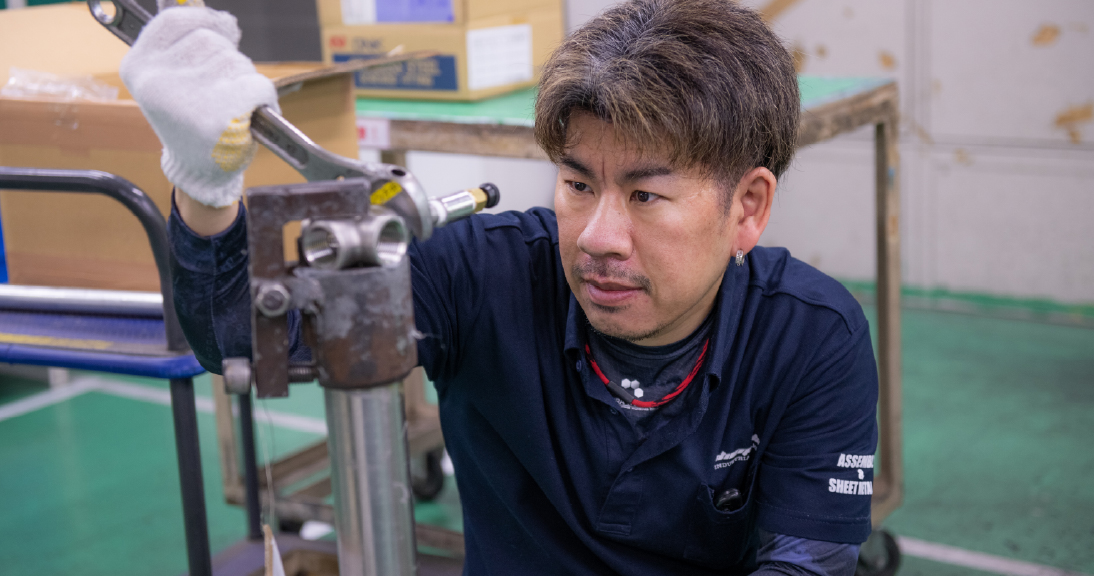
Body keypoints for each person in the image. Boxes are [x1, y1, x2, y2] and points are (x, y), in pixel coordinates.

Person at [123, 0, 879, 573]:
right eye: (578, 184)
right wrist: (204, 186)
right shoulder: (481, 275)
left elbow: (805, 565)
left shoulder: (812, 338)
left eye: (646, 196)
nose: (598, 237)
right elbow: (242, 338)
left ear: (747, 208)